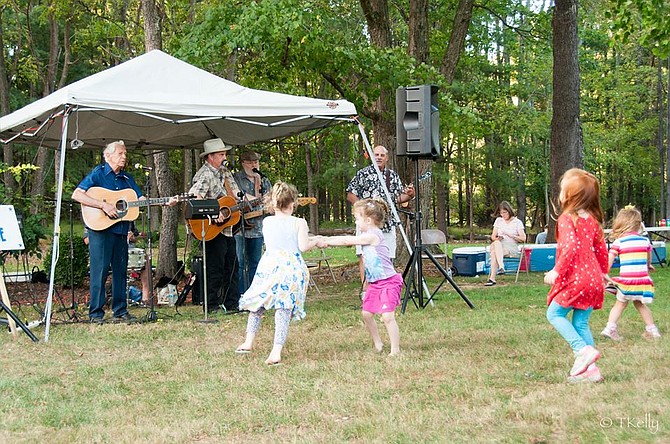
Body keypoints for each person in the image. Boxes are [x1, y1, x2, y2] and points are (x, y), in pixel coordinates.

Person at [235, 182, 322, 365]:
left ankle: (248, 341)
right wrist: (317, 241)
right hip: (290, 267)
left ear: (273, 204)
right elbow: (303, 246)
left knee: (257, 304)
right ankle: (276, 351)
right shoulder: (299, 223)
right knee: (283, 308)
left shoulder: (267, 222)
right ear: (292, 203)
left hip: (269, 266)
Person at [543, 168, 609, 383]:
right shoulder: (592, 220)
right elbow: (601, 249)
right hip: (594, 279)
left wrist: (556, 270)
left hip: (576, 279)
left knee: (554, 314)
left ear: (570, 195)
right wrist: (604, 273)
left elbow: (570, 247)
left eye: (563, 189)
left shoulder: (567, 218)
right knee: (581, 323)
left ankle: (581, 350)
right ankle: (591, 371)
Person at [72, 141, 144, 323]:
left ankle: (120, 310)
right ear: (108, 156)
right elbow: (77, 194)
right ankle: (96, 313)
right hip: (100, 229)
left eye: (125, 153)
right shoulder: (98, 173)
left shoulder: (127, 179)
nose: (124, 157)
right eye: (120, 153)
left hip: (121, 230)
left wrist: (164, 201)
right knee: (100, 271)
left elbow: (140, 198)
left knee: (120, 271)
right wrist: (103, 204)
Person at [322, 198, 404, 356]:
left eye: (357, 218)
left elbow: (348, 240)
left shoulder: (373, 235)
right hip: (374, 283)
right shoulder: (367, 234)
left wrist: (326, 241)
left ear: (368, 220)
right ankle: (378, 342)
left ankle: (395, 349)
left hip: (388, 282)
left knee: (387, 317)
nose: (356, 222)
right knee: (366, 314)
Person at [189, 138, 248, 313]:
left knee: (232, 266)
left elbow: (236, 196)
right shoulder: (204, 174)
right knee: (215, 268)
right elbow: (194, 198)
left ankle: (232, 303)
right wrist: (213, 214)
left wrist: (253, 200)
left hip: (228, 229)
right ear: (210, 157)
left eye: (224, 154)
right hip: (210, 228)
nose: (224, 157)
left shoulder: (226, 173)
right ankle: (211, 305)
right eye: (221, 154)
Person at [346, 145, 415, 284]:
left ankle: (384, 287)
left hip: (387, 224)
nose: (378, 157)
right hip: (367, 224)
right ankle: (366, 290)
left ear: (387, 158)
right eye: (376, 154)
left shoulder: (392, 176)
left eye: (382, 155)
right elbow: (351, 195)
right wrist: (363, 211)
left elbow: (398, 199)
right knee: (364, 256)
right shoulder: (363, 174)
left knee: (387, 256)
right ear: (372, 156)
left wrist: (410, 195)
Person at [601, 206, 661, 340]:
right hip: (642, 281)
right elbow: (648, 258)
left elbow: (609, 261)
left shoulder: (619, 242)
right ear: (638, 225)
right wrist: (648, 266)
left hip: (626, 283)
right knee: (640, 304)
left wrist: (605, 274)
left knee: (620, 303)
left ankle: (610, 328)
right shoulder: (645, 241)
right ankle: (652, 329)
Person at [233, 151, 272, 294]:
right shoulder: (236, 178)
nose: (253, 165)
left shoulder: (264, 180)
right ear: (243, 163)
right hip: (239, 226)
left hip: (258, 228)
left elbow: (269, 202)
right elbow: (235, 198)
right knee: (240, 263)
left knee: (256, 263)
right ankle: (241, 295)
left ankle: (254, 294)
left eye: (255, 162)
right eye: (249, 162)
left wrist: (258, 187)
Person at [83, 223, 150, 305]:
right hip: (103, 247)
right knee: (101, 269)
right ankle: (100, 301)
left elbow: (135, 237)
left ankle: (145, 295)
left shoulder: (126, 217)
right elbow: (86, 240)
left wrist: (131, 236)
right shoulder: (93, 217)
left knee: (145, 258)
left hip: (125, 248)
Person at [484, 201, 526, 286]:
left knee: (494, 252)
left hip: (510, 246)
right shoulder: (498, 221)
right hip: (499, 243)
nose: (503, 215)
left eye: (504, 212)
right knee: (496, 243)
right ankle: (501, 266)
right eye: (501, 213)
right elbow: (493, 236)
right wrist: (498, 237)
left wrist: (512, 236)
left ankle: (492, 278)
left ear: (509, 211)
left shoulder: (517, 222)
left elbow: (523, 238)